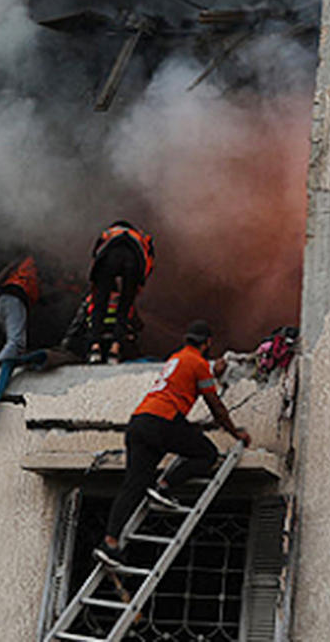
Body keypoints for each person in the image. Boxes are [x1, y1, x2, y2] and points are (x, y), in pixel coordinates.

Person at [94, 319, 251, 568]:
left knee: (133, 485)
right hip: (163, 421)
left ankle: (110, 542)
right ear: (207, 342)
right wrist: (236, 433)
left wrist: (212, 374)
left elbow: (187, 383)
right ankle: (165, 485)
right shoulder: (198, 363)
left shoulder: (177, 358)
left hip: (139, 421)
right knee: (207, 454)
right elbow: (215, 406)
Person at [65, 221, 155, 359]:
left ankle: (95, 348)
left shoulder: (109, 234)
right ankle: (115, 349)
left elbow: (97, 257)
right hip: (133, 261)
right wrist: (138, 284)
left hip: (109, 259)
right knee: (124, 307)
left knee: (99, 304)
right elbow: (149, 262)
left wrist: (96, 284)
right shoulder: (141, 237)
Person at [0, 256, 41, 364]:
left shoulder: (20, 268)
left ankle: (6, 364)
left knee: (13, 343)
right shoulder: (36, 266)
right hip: (15, 300)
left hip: (2, 301)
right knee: (16, 343)